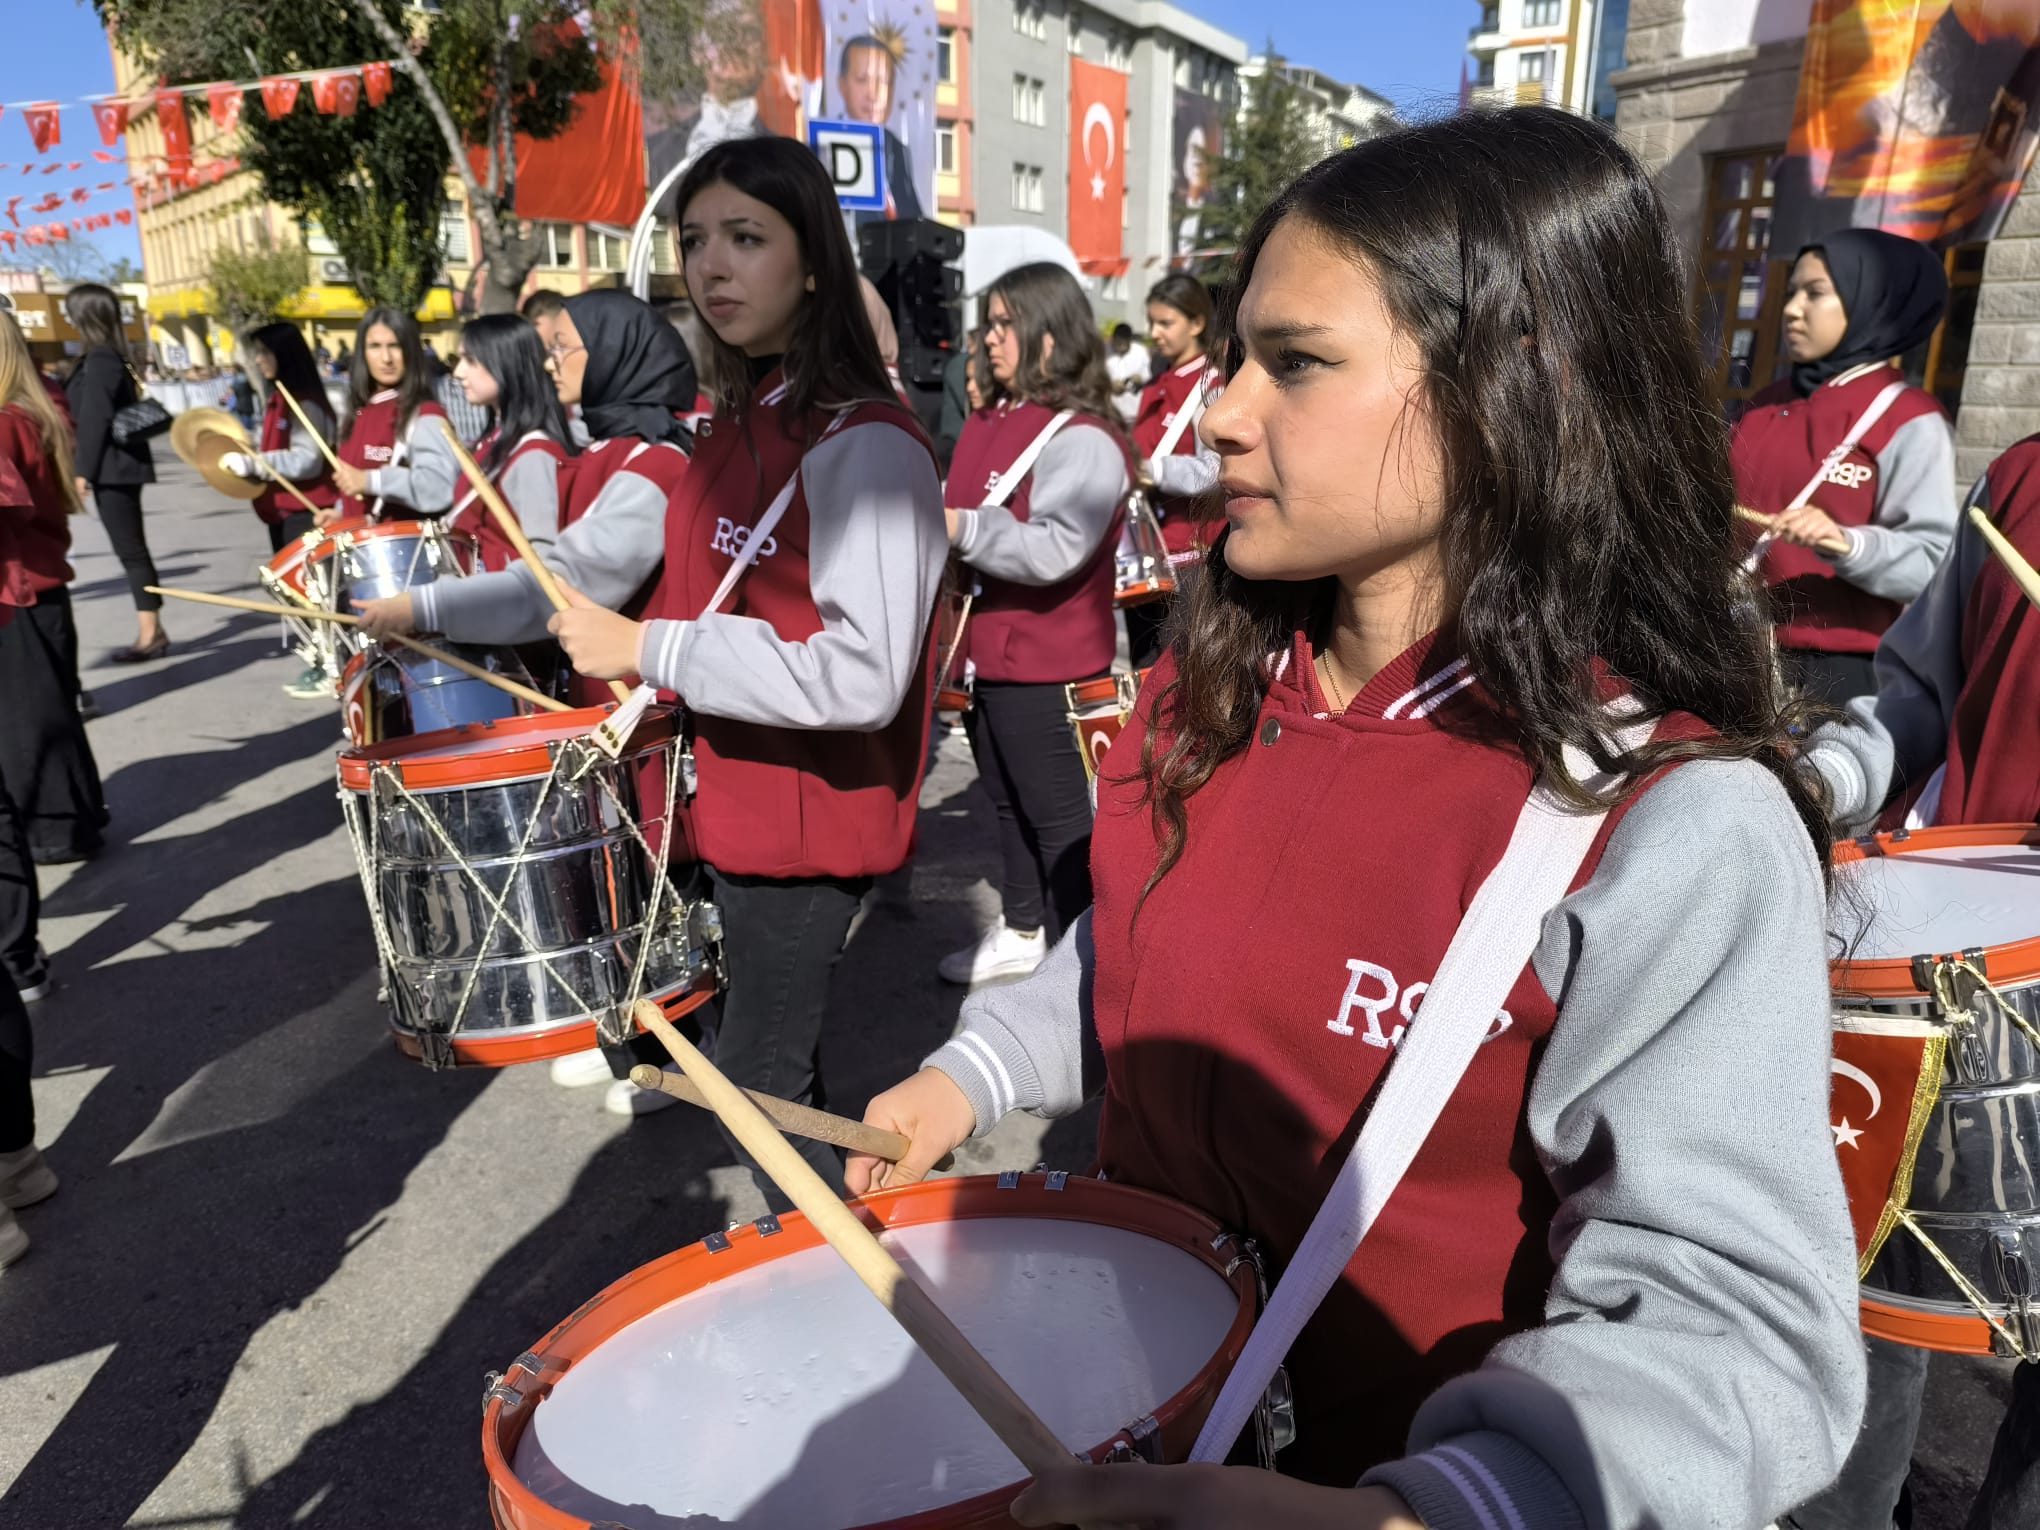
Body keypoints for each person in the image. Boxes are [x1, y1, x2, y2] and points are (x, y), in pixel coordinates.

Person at [851, 108, 1864, 1528]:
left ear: (1514, 386)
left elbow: (1740, 1330)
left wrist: (1423, 1511)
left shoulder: (1665, 819)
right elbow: (1139, 949)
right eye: (1232, 357)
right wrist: (974, 1073)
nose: (1218, 413)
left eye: (1298, 363)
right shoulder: (1196, 690)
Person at [543, 135, 946, 1169]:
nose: (712, 265)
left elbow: (864, 674)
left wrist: (649, 643)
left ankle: (829, 1306)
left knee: (769, 1096)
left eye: (746, 238)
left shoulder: (867, 442)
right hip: (739, 801)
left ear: (813, 260)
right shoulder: (746, 419)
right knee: (762, 1075)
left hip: (805, 821)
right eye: (694, 240)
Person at [1799, 439, 2040, 1530]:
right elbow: (1915, 700)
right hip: (1950, 967)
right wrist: (1810, 787)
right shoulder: (2022, 479)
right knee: (1870, 1304)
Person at [937, 263, 1130, 986]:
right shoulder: (997, 421)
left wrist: (957, 525)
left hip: (1048, 669)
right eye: (987, 323)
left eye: (1003, 323)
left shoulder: (1082, 438)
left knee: (1059, 828)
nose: (989, 339)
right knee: (1007, 807)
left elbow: (1057, 547)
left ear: (1050, 336)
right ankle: (1022, 931)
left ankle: (1083, 971)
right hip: (989, 660)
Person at [1731, 229, 1956, 703]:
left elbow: (1930, 561)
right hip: (1734, 648)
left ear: (1870, 302)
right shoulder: (1765, 404)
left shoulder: (1908, 418)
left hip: (1832, 675)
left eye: (1815, 294)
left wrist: (1845, 543)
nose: (1792, 308)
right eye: (1792, 292)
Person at [0, 312, 105, 870]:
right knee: (53, 719)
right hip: (41, 586)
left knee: (32, 732)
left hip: (18, 590)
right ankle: (78, 820)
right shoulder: (33, 411)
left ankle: (57, 833)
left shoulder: (6, 421)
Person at [221, 322, 343, 700]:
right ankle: (320, 660)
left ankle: (331, 665)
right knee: (296, 594)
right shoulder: (278, 396)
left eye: (265, 353)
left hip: (307, 513)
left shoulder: (304, 400)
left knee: (314, 596)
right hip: (283, 513)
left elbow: (307, 460)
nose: (259, 360)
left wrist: (257, 464)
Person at [61, 282, 165, 664]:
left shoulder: (102, 358)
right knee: (132, 549)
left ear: (86, 314)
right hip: (117, 467)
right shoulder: (105, 355)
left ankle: (150, 633)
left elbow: (95, 417)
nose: (66, 317)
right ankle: (154, 628)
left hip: (113, 469)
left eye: (71, 310)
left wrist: (82, 471)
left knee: (132, 552)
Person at [1125, 272, 1221, 668]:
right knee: (1143, 675)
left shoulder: (1211, 386)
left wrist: (1153, 470)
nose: (1155, 333)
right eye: (1152, 323)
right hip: (1147, 560)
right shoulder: (1156, 384)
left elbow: (1216, 470)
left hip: (1190, 561)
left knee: (1177, 682)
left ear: (1196, 323)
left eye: (1166, 323)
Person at [441, 314, 577, 573]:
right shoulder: (495, 441)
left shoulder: (534, 454)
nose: (458, 372)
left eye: (470, 360)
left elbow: (542, 559)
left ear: (505, 363)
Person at [328, 307, 457, 522]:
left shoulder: (425, 415)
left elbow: (441, 485)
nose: (386, 358)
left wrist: (372, 480)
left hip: (405, 550)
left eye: (395, 346)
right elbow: (357, 485)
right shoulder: (358, 413)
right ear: (363, 353)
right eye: (375, 346)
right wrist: (342, 512)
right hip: (360, 548)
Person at [837, 34, 921, 222]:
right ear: (842, 85)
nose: (873, 94)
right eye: (862, 80)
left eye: (884, 81)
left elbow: (911, 215)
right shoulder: (829, 143)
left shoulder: (896, 148)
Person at [1104, 321, 1149, 427]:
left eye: (1124, 343)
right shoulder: (1104, 351)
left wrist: (1139, 378)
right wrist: (1110, 385)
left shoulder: (1140, 352)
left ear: (1130, 340)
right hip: (1111, 412)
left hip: (1134, 412)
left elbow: (1148, 377)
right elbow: (1096, 377)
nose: (1120, 346)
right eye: (1117, 343)